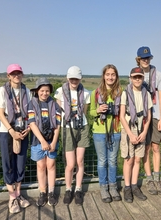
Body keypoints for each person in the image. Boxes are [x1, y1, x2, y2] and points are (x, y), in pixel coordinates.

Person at [0, 64, 31, 213]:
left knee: (20, 163)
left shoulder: (26, 91)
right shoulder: (2, 91)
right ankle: (12, 198)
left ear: (22, 75)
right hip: (6, 131)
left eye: (19, 73)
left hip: (23, 130)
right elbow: (1, 114)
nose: (16, 75)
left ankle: (18, 194)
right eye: (13, 73)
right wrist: (11, 131)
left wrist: (28, 128)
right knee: (8, 163)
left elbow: (29, 112)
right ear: (8, 76)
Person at [54, 66, 91, 205]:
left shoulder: (86, 93)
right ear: (68, 78)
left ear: (80, 79)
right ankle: (68, 189)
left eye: (76, 78)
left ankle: (78, 189)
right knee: (70, 164)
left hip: (82, 127)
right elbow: (58, 113)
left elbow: (85, 112)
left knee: (80, 161)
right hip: (67, 127)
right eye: (72, 78)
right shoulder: (59, 92)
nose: (74, 81)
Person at [136, 46, 161, 195]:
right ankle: (149, 179)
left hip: (155, 115)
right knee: (146, 148)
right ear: (138, 59)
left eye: (147, 58)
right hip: (142, 116)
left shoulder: (158, 74)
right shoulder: (136, 74)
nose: (145, 60)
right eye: (143, 58)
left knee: (156, 147)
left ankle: (157, 178)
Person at [90, 64, 122, 203]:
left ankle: (113, 187)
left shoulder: (120, 93)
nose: (110, 77)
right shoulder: (96, 93)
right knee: (102, 161)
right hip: (99, 131)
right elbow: (90, 112)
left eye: (113, 74)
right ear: (104, 76)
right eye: (108, 74)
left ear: (116, 76)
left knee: (113, 161)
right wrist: (97, 110)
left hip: (115, 130)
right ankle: (104, 187)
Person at [120, 67, 152, 203]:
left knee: (138, 159)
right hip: (129, 128)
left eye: (139, 77)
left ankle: (134, 186)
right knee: (129, 159)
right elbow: (121, 116)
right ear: (130, 78)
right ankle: (127, 187)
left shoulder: (147, 94)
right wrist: (130, 134)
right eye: (135, 77)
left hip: (142, 128)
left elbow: (149, 116)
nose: (137, 79)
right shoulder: (125, 93)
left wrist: (145, 132)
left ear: (143, 78)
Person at [28, 78, 61, 207]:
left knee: (51, 165)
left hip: (52, 139)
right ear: (37, 91)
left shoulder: (55, 105)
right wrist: (42, 141)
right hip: (38, 141)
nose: (44, 93)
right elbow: (32, 124)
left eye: (47, 91)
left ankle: (51, 192)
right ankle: (43, 192)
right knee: (41, 166)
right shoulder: (31, 104)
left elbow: (58, 125)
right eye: (42, 90)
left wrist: (53, 142)